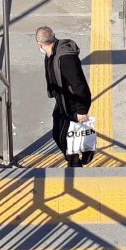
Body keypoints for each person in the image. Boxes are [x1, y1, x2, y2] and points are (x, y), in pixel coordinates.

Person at [37, 25, 93, 164]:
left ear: (39, 43)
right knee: (66, 132)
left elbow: (78, 84)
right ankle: (79, 156)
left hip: (73, 102)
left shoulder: (65, 58)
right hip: (62, 99)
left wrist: (81, 110)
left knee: (61, 135)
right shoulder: (51, 52)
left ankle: (76, 160)